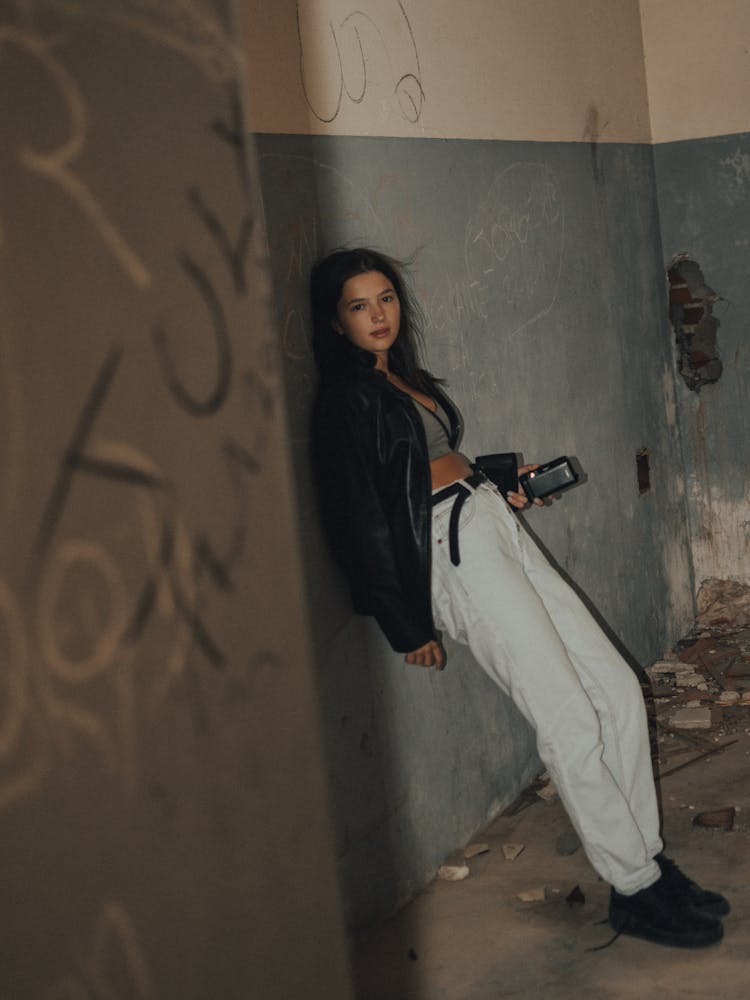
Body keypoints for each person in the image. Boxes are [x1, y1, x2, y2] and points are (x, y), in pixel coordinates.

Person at [309, 246, 729, 949]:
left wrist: (501, 481)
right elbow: (361, 521)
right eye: (359, 304)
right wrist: (405, 622)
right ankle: (634, 889)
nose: (379, 314)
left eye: (386, 298)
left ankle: (647, 861)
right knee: (566, 712)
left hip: (487, 518)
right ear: (335, 320)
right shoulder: (346, 403)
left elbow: (436, 463)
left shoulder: (400, 379)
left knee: (616, 688)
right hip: (453, 553)